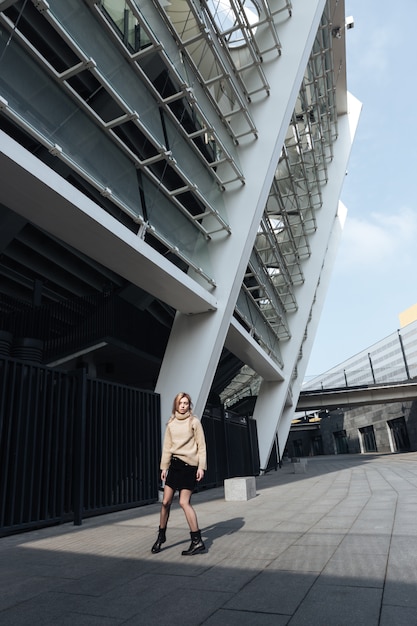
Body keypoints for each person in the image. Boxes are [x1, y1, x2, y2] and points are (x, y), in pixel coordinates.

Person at [151, 392, 207, 556]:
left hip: (189, 467)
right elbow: (167, 447)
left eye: (186, 403)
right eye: (180, 403)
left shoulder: (194, 422)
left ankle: (197, 541)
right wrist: (164, 468)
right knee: (166, 502)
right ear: (176, 405)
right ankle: (161, 537)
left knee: (184, 502)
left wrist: (201, 467)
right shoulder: (171, 424)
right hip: (174, 467)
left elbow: (201, 446)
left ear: (190, 405)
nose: (183, 405)